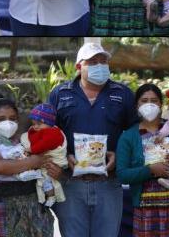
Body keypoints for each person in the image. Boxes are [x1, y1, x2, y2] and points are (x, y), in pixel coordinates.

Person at [46, 42, 138, 237]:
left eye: (103, 61)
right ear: (79, 66)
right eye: (93, 62)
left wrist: (119, 157)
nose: (100, 66)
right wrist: (64, 157)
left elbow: (135, 135)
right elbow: (46, 133)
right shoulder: (60, 94)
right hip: (70, 184)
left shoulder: (122, 94)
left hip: (108, 183)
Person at [117, 83, 169, 237]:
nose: (149, 104)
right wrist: (150, 170)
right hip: (146, 209)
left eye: (154, 100)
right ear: (136, 105)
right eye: (144, 100)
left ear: (161, 104)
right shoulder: (128, 136)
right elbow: (122, 174)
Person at [0, 98, 54, 237]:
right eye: (1, 118)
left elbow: (45, 163)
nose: (8, 123)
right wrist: (34, 161)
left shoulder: (23, 142)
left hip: (31, 205)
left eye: (12, 118)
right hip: (1, 206)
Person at [20, 103, 67, 207]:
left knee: (47, 181)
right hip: (43, 161)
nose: (35, 127)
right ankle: (49, 196)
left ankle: (51, 197)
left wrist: (31, 149)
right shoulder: (43, 130)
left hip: (53, 161)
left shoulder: (53, 133)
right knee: (44, 181)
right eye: (34, 123)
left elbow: (43, 145)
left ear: (50, 123)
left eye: (39, 124)